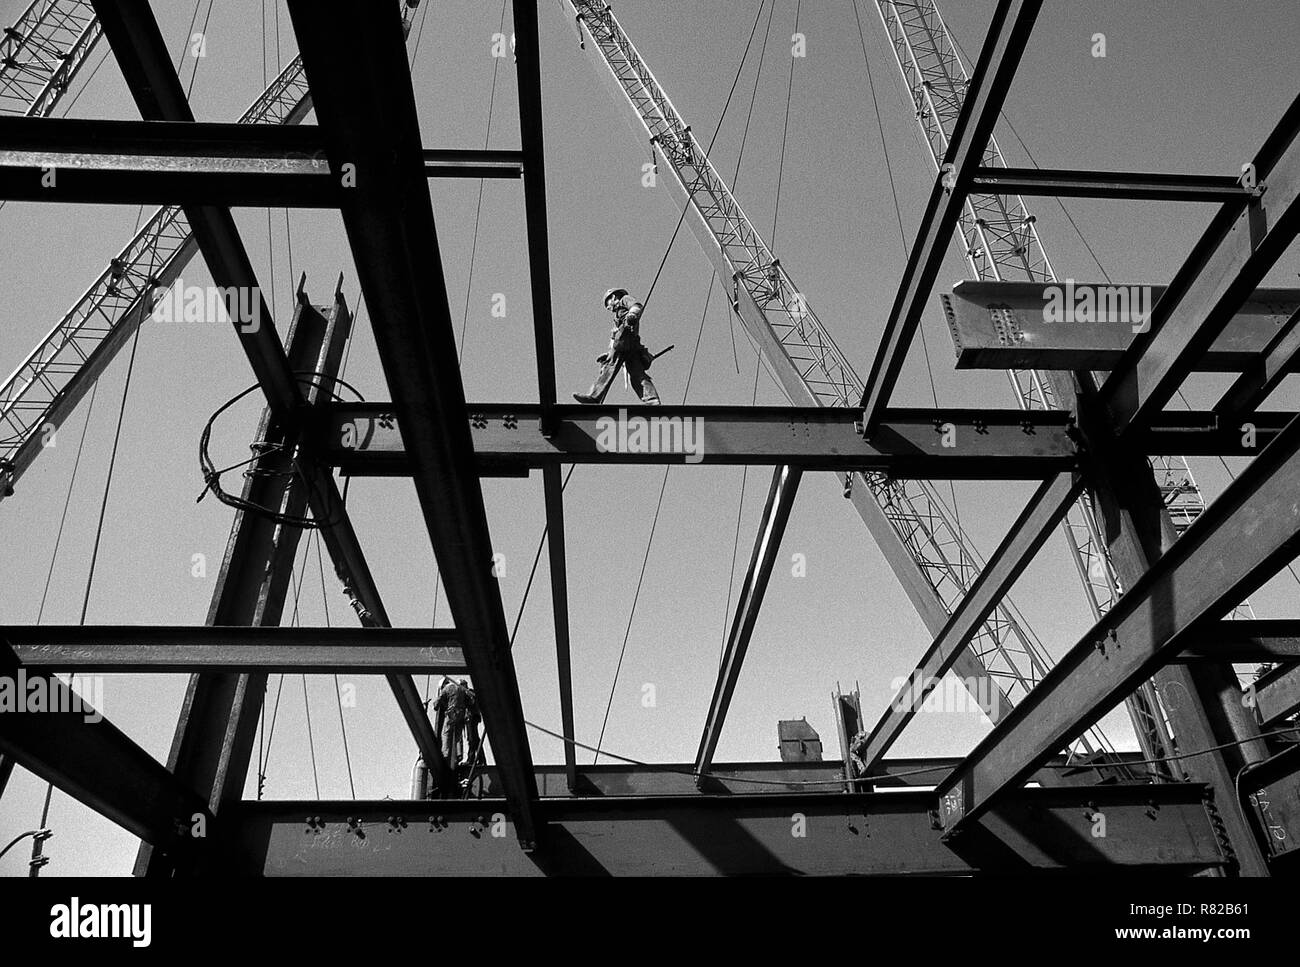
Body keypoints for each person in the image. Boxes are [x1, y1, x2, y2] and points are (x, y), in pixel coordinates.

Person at [573, 287, 662, 405]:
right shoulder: (616, 318)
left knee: (609, 367)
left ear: (613, 297)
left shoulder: (624, 300)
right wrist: (608, 352)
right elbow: (614, 337)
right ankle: (652, 400)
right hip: (629, 345)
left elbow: (637, 306)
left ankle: (594, 397)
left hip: (626, 339)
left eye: (608, 304)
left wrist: (632, 314)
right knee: (637, 373)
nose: (609, 308)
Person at [432, 677, 481, 780]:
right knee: (457, 736)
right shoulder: (461, 689)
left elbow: (438, 702)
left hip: (451, 713)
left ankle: (445, 755)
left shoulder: (446, 689)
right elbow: (470, 701)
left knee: (446, 734)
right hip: (461, 713)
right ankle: (457, 756)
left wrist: (436, 706)